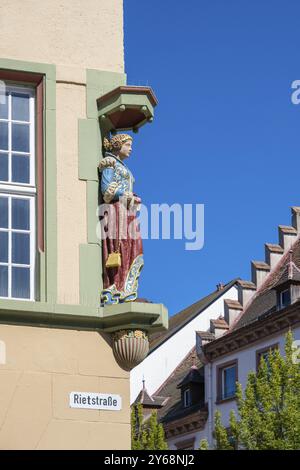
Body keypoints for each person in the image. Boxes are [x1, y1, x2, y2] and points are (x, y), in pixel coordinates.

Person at [98, 133, 143, 305]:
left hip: (127, 210)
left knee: (133, 246)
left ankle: (126, 287)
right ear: (118, 145)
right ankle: (114, 285)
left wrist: (133, 197)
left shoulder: (123, 167)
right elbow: (106, 190)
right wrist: (126, 195)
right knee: (119, 244)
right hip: (116, 210)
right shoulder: (110, 164)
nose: (131, 149)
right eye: (128, 145)